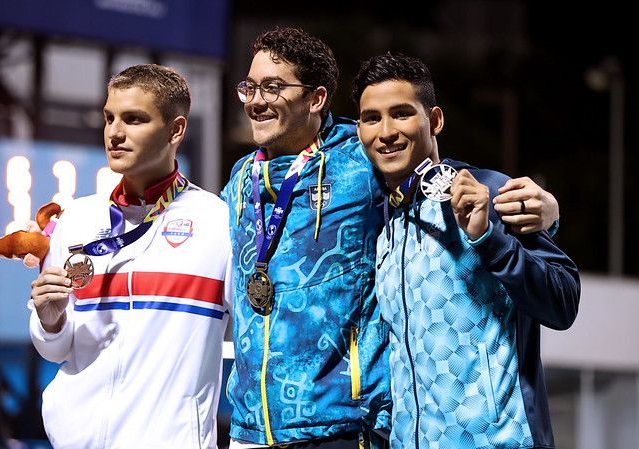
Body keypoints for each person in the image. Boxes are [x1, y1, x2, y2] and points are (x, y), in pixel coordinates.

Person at [221, 27, 561, 448]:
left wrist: (541, 212)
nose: (256, 100)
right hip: (250, 429)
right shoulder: (239, 181)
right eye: (249, 87)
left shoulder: (362, 163)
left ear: (316, 99)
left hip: (345, 427)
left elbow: (437, 175)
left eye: (271, 87)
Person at [351, 51, 580, 449]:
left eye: (402, 113)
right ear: (359, 131)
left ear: (435, 120)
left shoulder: (490, 191)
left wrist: (490, 240)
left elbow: (563, 302)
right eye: (372, 118)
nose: (385, 131)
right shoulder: (380, 223)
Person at [28, 64, 232, 449]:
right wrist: (50, 321)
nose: (114, 133)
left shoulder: (218, 222)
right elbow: (54, 349)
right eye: (109, 118)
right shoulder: (77, 220)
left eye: (134, 119)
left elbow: (255, 343)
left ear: (176, 130)